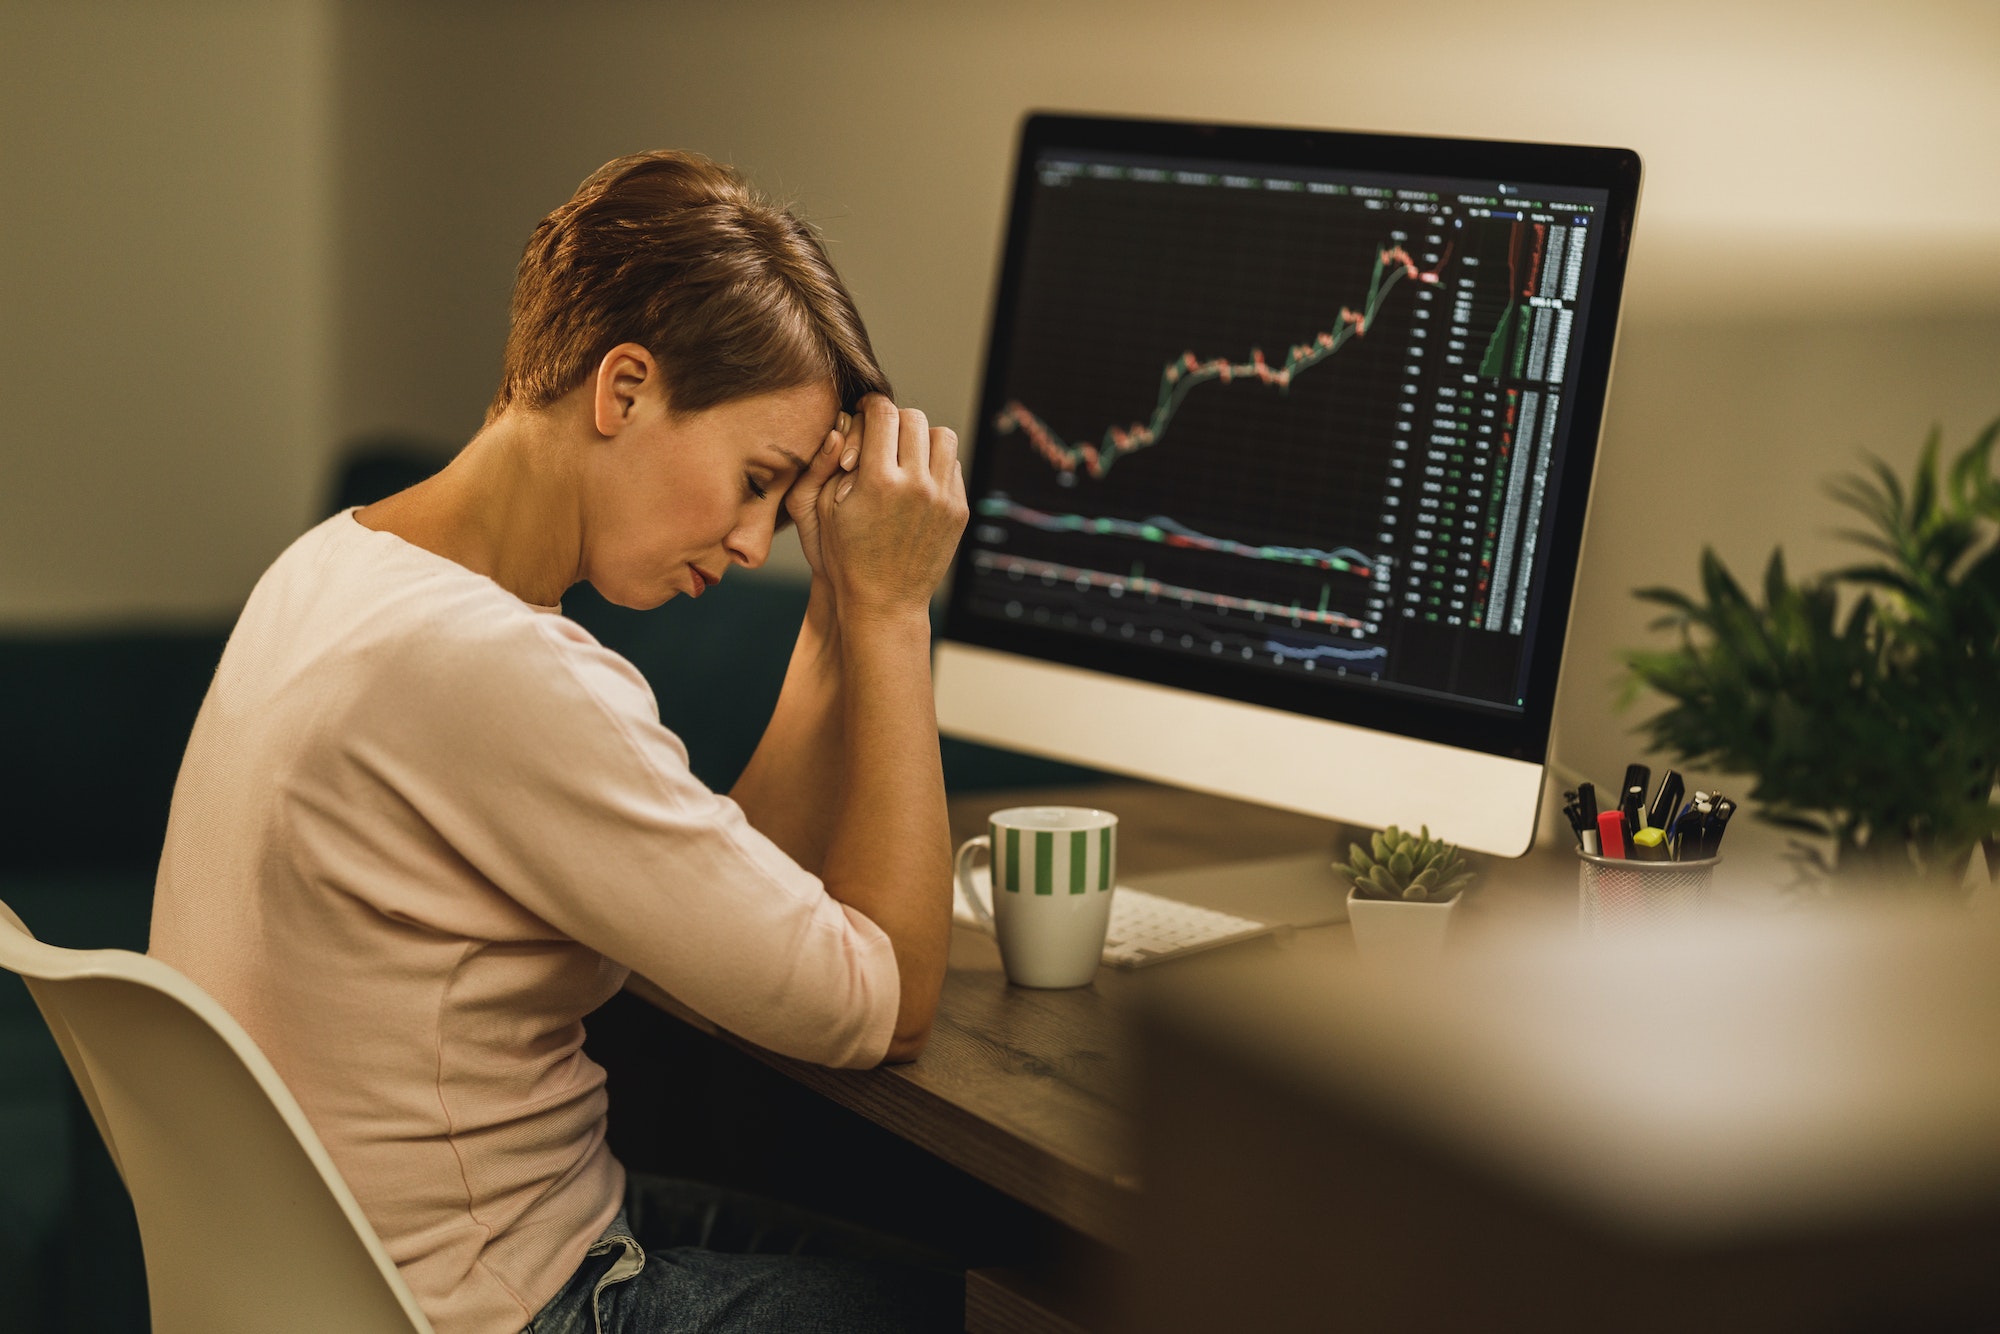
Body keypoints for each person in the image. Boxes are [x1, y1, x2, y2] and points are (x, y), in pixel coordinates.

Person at [149, 150, 970, 1333]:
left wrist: (841, 595)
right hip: (494, 1305)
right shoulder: (503, 673)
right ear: (623, 388)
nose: (754, 541)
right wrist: (895, 615)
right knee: (1011, 1310)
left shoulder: (332, 567)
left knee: (952, 1271)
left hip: (343, 1280)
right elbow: (884, 1008)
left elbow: (745, 890)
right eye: (754, 480)